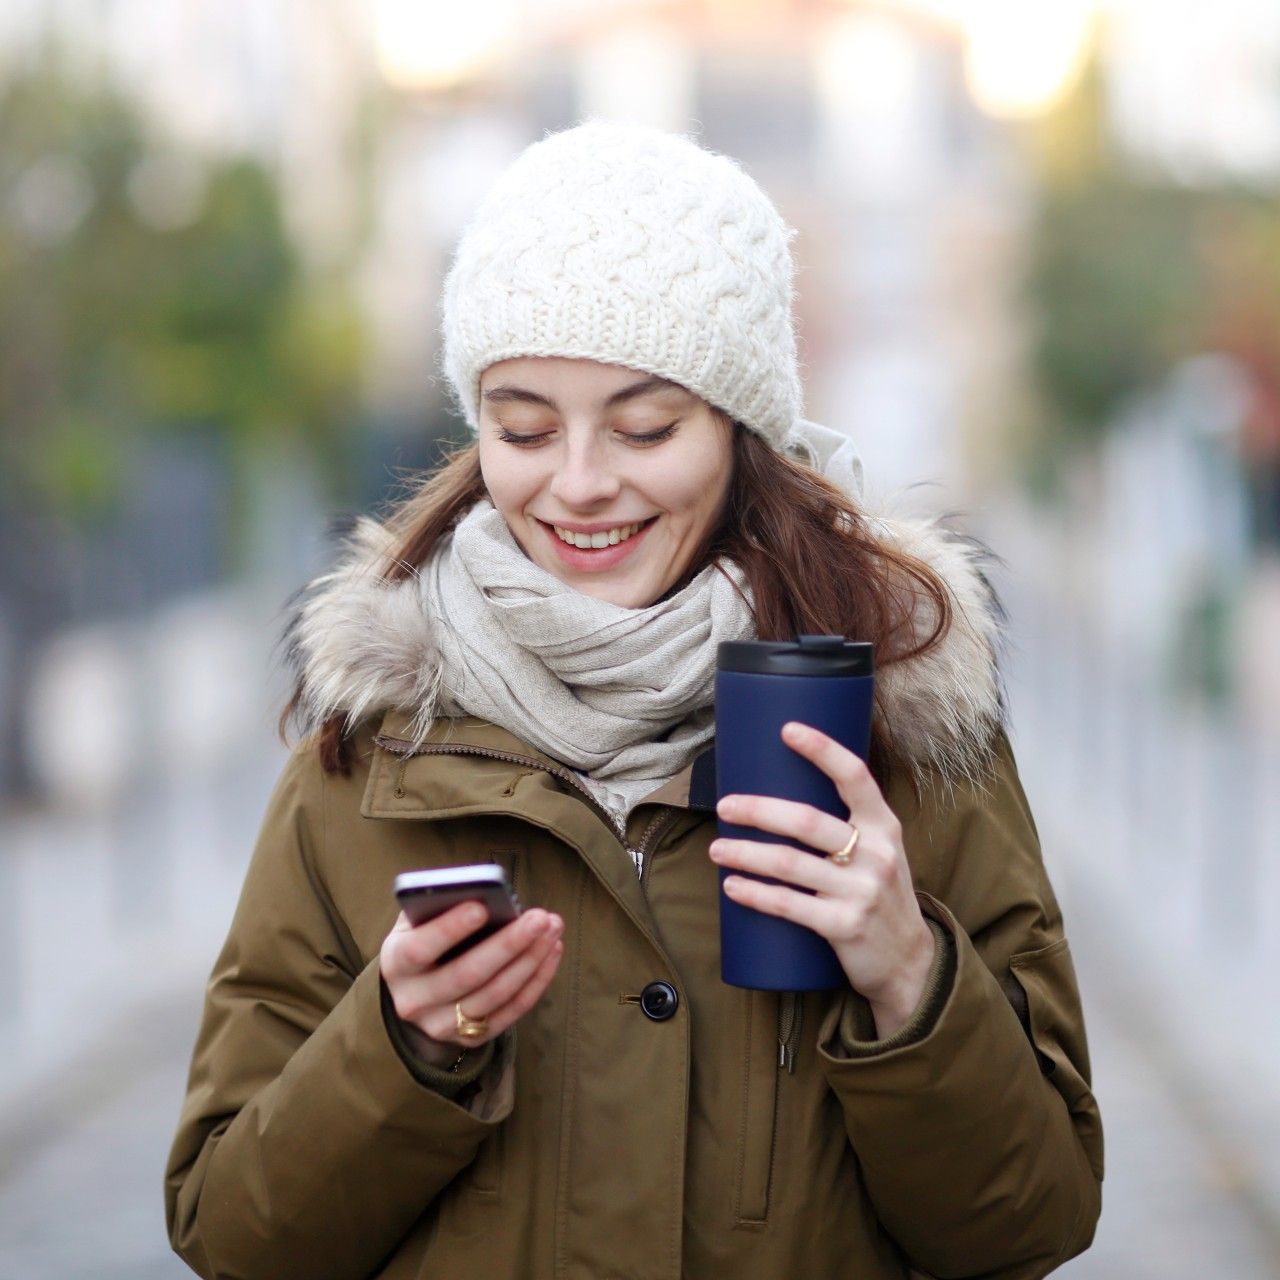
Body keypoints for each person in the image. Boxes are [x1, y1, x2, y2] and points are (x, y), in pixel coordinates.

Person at [165, 121, 1102, 1280]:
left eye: (644, 425)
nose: (575, 482)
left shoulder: (900, 727)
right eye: (519, 424)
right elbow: (230, 1233)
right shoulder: (370, 745)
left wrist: (910, 974)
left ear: (738, 428)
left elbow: (1032, 1219)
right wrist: (398, 1044)